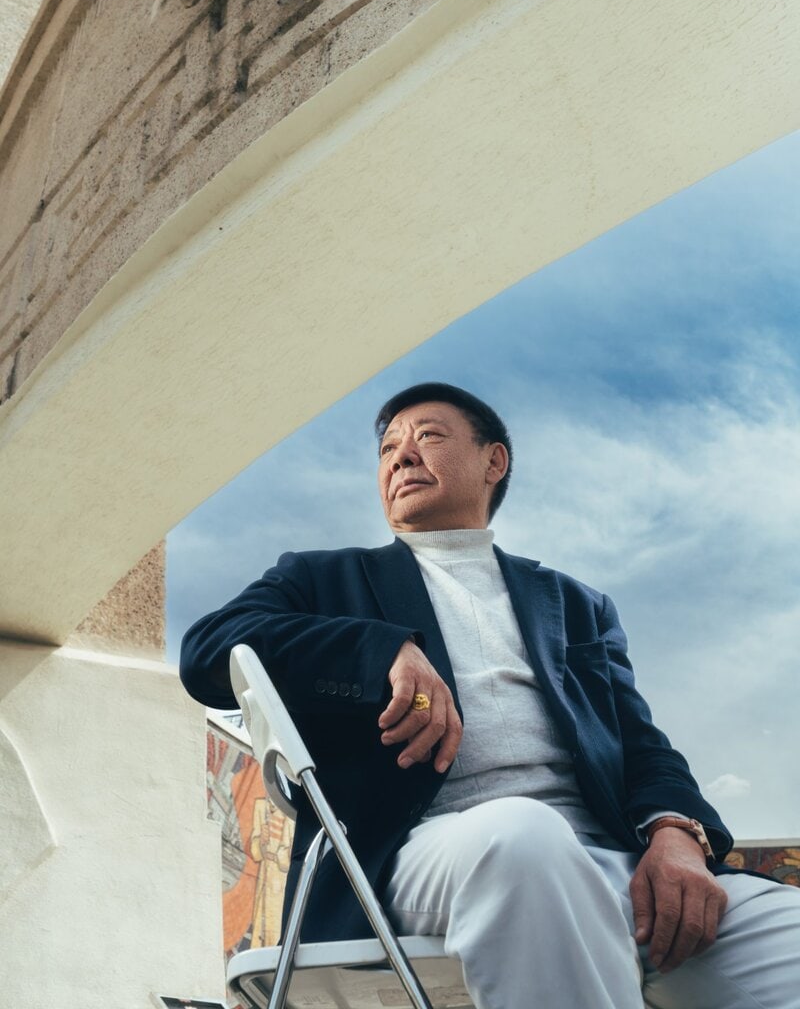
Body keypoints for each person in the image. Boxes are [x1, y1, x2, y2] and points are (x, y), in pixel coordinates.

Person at [180, 382, 800, 1008]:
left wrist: (677, 835)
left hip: (609, 859)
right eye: (389, 447)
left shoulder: (576, 604)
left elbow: (643, 746)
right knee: (524, 839)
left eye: (428, 437)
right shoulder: (323, 578)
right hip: (426, 853)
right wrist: (379, 650)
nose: (401, 456)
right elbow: (209, 648)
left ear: (493, 461)